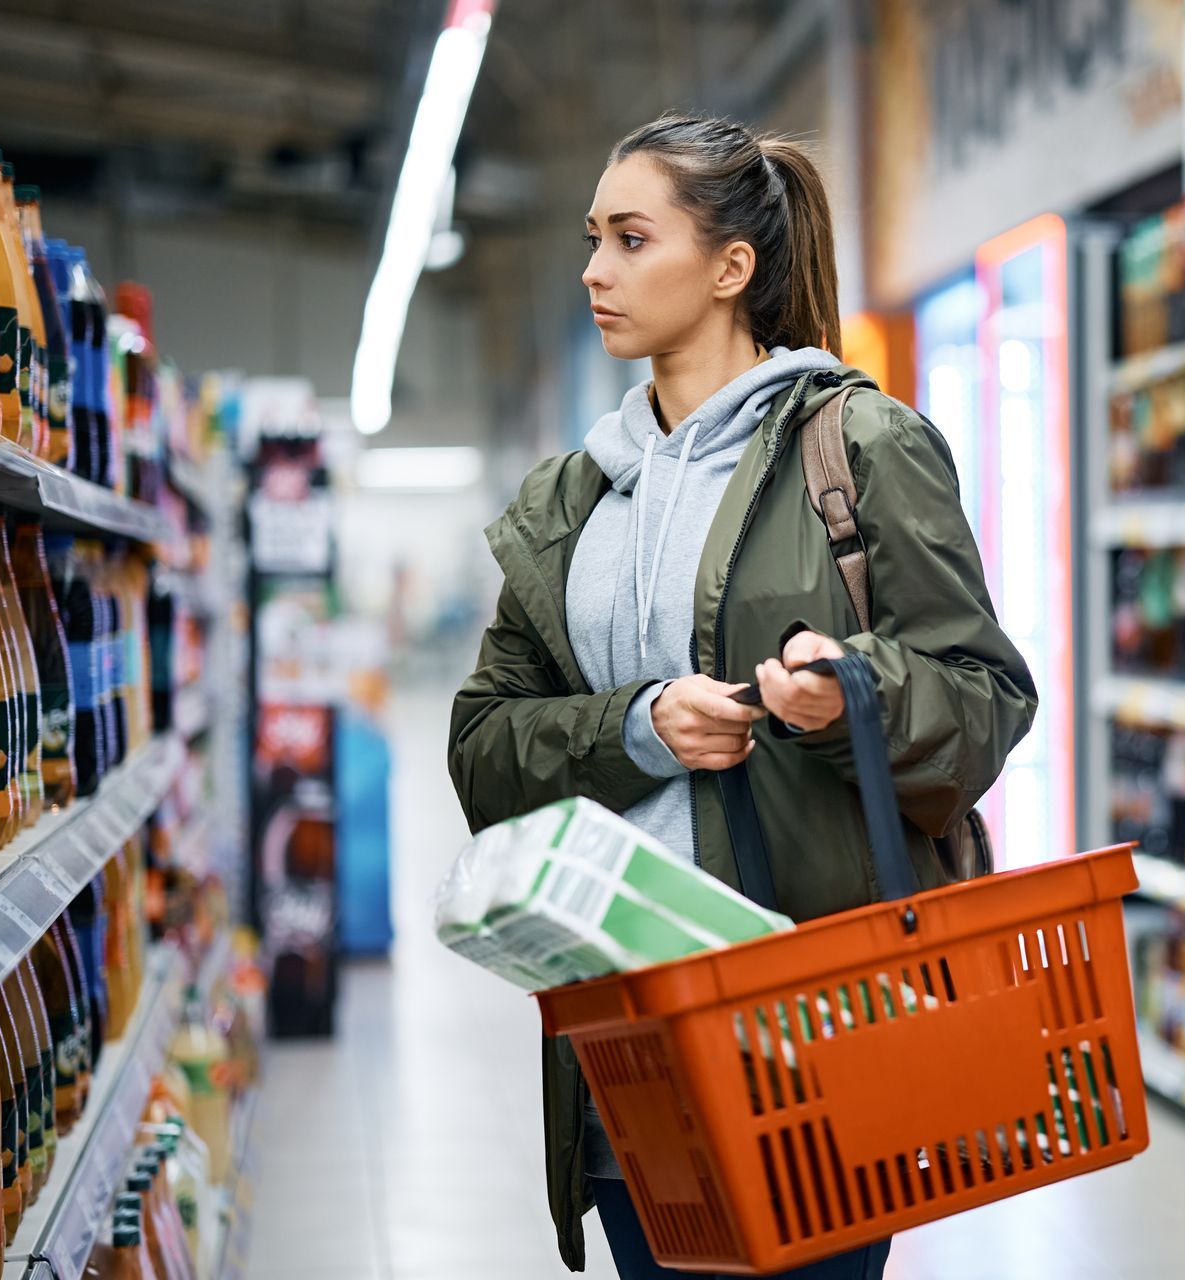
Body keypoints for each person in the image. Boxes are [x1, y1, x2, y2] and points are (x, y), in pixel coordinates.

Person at [448, 113, 1037, 1278]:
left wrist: (852, 688)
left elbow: (984, 699)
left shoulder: (860, 445)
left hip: (810, 1031)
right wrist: (634, 726)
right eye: (593, 239)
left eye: (629, 238)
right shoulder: (574, 502)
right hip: (625, 1039)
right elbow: (483, 744)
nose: (594, 270)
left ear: (731, 268)